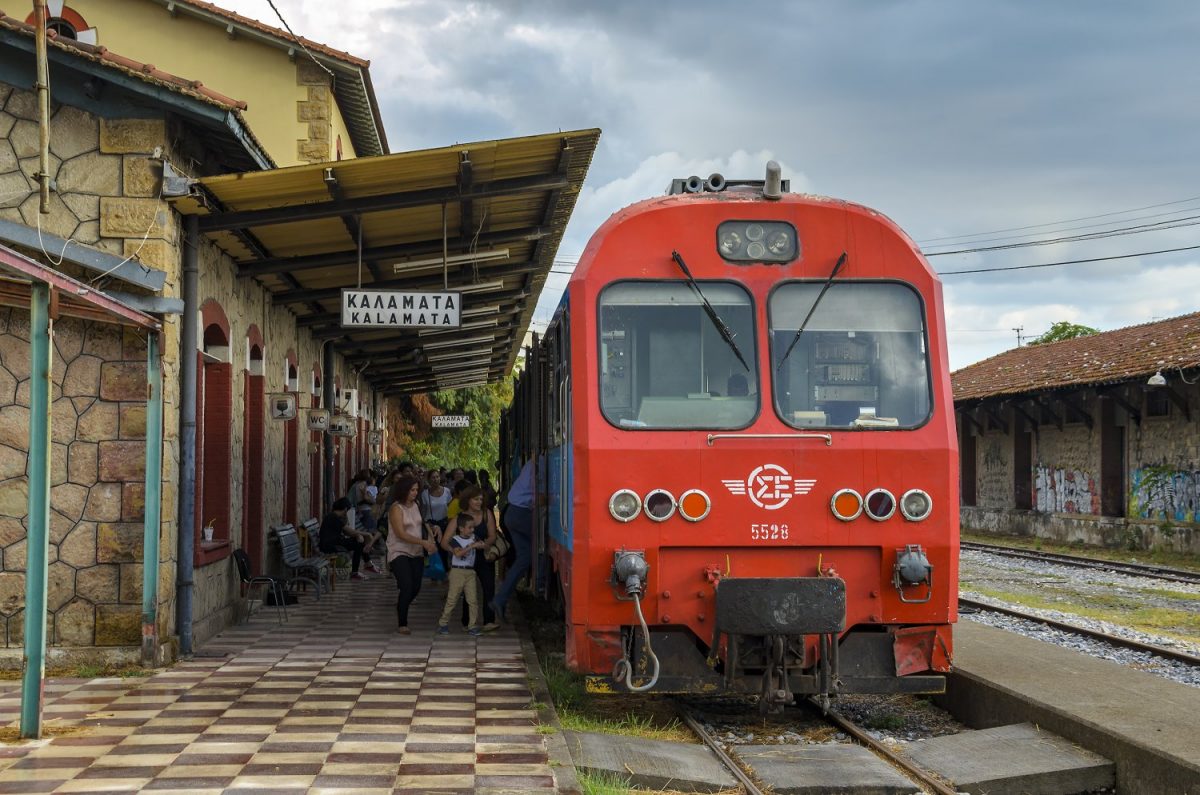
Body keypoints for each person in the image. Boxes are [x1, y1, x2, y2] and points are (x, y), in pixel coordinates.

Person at [387, 475, 436, 634]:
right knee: (407, 586)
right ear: (404, 490)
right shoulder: (396, 508)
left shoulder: (416, 505)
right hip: (399, 551)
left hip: (416, 552)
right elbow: (400, 534)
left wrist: (432, 532)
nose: (415, 493)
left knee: (416, 587)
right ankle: (403, 623)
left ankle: (402, 604)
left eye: (416, 490)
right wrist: (423, 542)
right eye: (412, 490)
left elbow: (421, 523)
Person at [448, 484, 499, 631]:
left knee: (489, 587)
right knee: (467, 590)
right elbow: (446, 540)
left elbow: (492, 535)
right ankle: (467, 621)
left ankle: (489, 620)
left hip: (483, 556)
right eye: (476, 499)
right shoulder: (460, 518)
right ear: (467, 500)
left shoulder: (486, 514)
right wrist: (456, 550)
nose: (479, 502)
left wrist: (484, 544)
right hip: (466, 559)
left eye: (481, 499)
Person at [491, 458, 534, 622]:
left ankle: (500, 599)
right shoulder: (541, 463)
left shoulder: (531, 463)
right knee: (542, 546)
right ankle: (540, 581)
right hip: (523, 514)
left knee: (525, 557)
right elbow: (542, 496)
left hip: (511, 512)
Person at [437, 519, 485, 636]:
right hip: (457, 571)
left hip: (470, 571)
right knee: (452, 599)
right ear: (461, 529)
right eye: (469, 527)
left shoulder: (474, 537)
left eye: (473, 527)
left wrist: (480, 544)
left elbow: (482, 544)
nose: (472, 530)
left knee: (473, 600)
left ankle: (472, 625)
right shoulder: (455, 540)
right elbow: (458, 553)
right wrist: (471, 546)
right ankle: (443, 623)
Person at [318, 498, 376, 579]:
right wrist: (367, 534)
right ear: (345, 509)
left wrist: (357, 535)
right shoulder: (333, 517)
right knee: (358, 545)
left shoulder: (334, 516)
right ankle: (357, 571)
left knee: (358, 542)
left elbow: (347, 532)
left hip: (334, 542)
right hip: (330, 545)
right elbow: (350, 531)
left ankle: (367, 564)